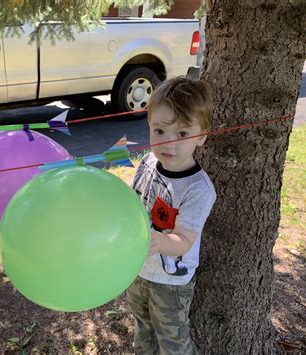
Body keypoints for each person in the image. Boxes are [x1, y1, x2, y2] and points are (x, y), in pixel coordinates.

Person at [127, 76, 216, 354]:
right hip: (136, 271)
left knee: (172, 341)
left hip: (170, 283)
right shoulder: (147, 162)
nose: (168, 143)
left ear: (201, 136)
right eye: (159, 131)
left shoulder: (198, 188)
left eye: (182, 134)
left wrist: (156, 242)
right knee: (143, 329)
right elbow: (134, 202)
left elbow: (185, 240)